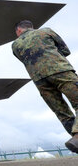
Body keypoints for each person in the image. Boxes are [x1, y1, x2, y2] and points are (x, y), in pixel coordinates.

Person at [12, 20, 78, 153]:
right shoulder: (46, 31)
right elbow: (65, 50)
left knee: (62, 113)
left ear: (18, 30)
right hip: (60, 71)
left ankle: (75, 139)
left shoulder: (15, 45)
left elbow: (25, 60)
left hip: (39, 80)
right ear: (31, 27)